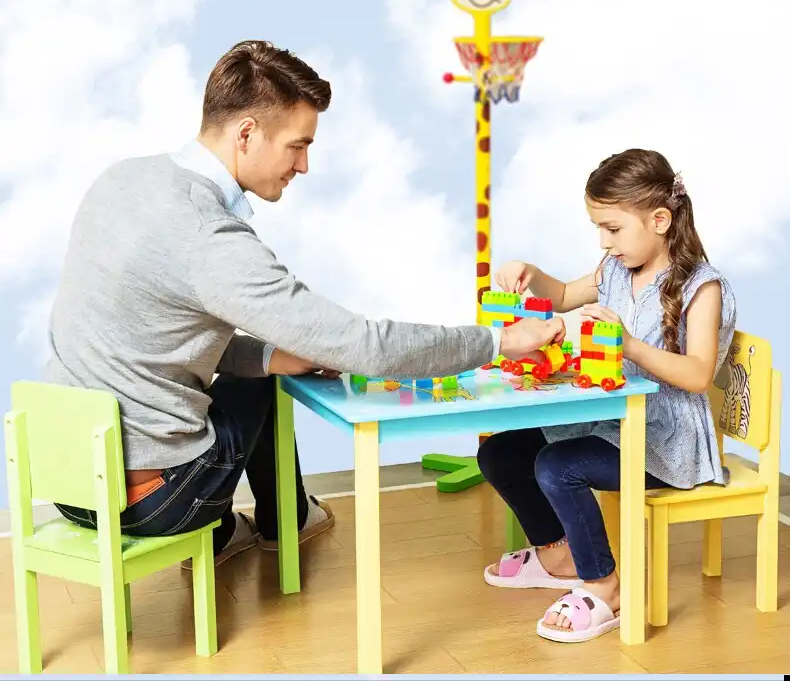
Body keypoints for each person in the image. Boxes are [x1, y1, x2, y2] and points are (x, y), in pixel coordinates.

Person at [42, 39, 566, 568]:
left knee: (265, 369)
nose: (305, 165)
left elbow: (151, 332)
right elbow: (364, 347)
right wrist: (499, 340)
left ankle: (263, 525)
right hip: (153, 499)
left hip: (72, 480)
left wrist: (271, 355)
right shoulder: (208, 237)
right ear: (247, 133)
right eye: (297, 145)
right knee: (261, 387)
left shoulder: (124, 180)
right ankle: (269, 522)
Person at [478, 148, 736, 642]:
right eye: (598, 228)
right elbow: (562, 295)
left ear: (659, 220)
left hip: (664, 441)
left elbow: (699, 374)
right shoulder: (615, 269)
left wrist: (630, 346)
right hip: (609, 419)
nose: (604, 241)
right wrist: (529, 273)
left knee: (557, 466)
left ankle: (605, 587)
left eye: (613, 228)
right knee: (501, 452)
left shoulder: (702, 288)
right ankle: (560, 556)